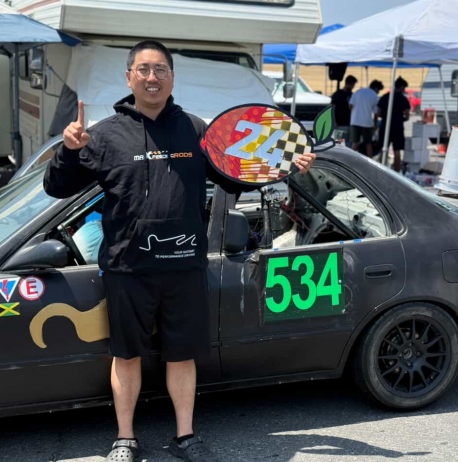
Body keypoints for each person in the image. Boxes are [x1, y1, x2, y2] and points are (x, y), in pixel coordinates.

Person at [43, 40, 316, 462]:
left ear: (172, 77)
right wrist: (69, 151)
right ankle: (125, 439)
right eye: (144, 69)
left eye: (161, 70)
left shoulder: (196, 129)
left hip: (184, 266)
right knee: (126, 356)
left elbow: (233, 178)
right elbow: (56, 187)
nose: (152, 77)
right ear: (129, 77)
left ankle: (185, 437)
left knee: (182, 356)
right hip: (127, 268)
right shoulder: (104, 134)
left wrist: (282, 165)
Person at [377, 77, 411, 172]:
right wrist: (401, 119)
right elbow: (407, 115)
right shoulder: (403, 99)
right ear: (401, 87)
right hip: (398, 128)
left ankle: (380, 170)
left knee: (383, 149)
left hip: (385, 126)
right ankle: (397, 172)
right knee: (397, 150)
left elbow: (379, 113)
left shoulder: (385, 97)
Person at [349, 80, 384, 158]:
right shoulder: (375, 96)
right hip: (367, 123)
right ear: (376, 88)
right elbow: (376, 113)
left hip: (355, 122)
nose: (378, 92)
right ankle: (369, 161)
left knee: (354, 143)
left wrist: (355, 113)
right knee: (368, 144)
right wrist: (375, 124)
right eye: (379, 90)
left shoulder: (358, 92)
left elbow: (350, 105)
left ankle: (351, 160)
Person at [331, 75, 357, 146]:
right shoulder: (337, 94)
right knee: (338, 145)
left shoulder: (352, 95)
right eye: (352, 85)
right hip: (339, 125)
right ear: (347, 83)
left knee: (349, 146)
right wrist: (334, 122)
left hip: (350, 124)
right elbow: (332, 109)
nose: (353, 87)